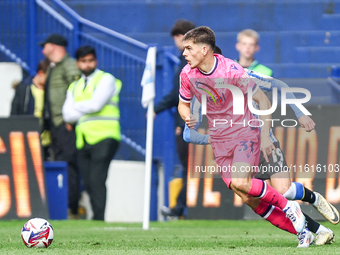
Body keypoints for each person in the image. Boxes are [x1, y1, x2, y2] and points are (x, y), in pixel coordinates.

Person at [178, 26, 308, 246]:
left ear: (204, 50)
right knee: (245, 194)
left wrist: (266, 136)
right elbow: (182, 104)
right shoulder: (187, 74)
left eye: (188, 48)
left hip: (244, 133)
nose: (184, 53)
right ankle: (305, 232)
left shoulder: (231, 70)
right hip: (220, 141)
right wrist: (187, 116)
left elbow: (263, 100)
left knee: (243, 181)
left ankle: (290, 206)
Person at [184, 67, 337, 246]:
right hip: (237, 153)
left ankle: (314, 199)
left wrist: (299, 113)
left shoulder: (240, 74)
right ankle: (317, 231)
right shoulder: (199, 93)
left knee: (284, 191)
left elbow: (278, 85)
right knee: (251, 198)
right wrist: (211, 138)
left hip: (264, 143)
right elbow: (188, 134)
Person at [62, 45, 121, 221]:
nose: (88, 65)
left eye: (90, 60)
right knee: (88, 182)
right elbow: (66, 114)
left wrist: (77, 107)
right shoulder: (74, 86)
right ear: (78, 63)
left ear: (95, 61)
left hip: (106, 136)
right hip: (84, 139)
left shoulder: (106, 79)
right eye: (83, 61)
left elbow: (96, 105)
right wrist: (85, 107)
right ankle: (97, 217)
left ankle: (99, 218)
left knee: (96, 179)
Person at [40, 33, 82, 219]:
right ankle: (64, 206)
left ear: (54, 46)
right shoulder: (54, 67)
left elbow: (77, 92)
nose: (43, 50)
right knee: (62, 164)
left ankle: (71, 208)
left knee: (69, 165)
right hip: (55, 125)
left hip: (65, 125)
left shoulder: (69, 65)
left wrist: (69, 120)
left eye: (46, 45)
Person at [157, 19, 196, 219]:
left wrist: (157, 108)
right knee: (190, 167)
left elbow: (178, 94)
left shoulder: (188, 63)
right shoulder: (191, 61)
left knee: (190, 166)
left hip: (190, 124)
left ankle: (179, 209)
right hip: (194, 122)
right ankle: (179, 208)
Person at [11, 58, 51, 159]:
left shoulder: (50, 90)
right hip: (26, 135)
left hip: (45, 139)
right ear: (41, 73)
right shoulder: (24, 87)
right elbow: (15, 110)